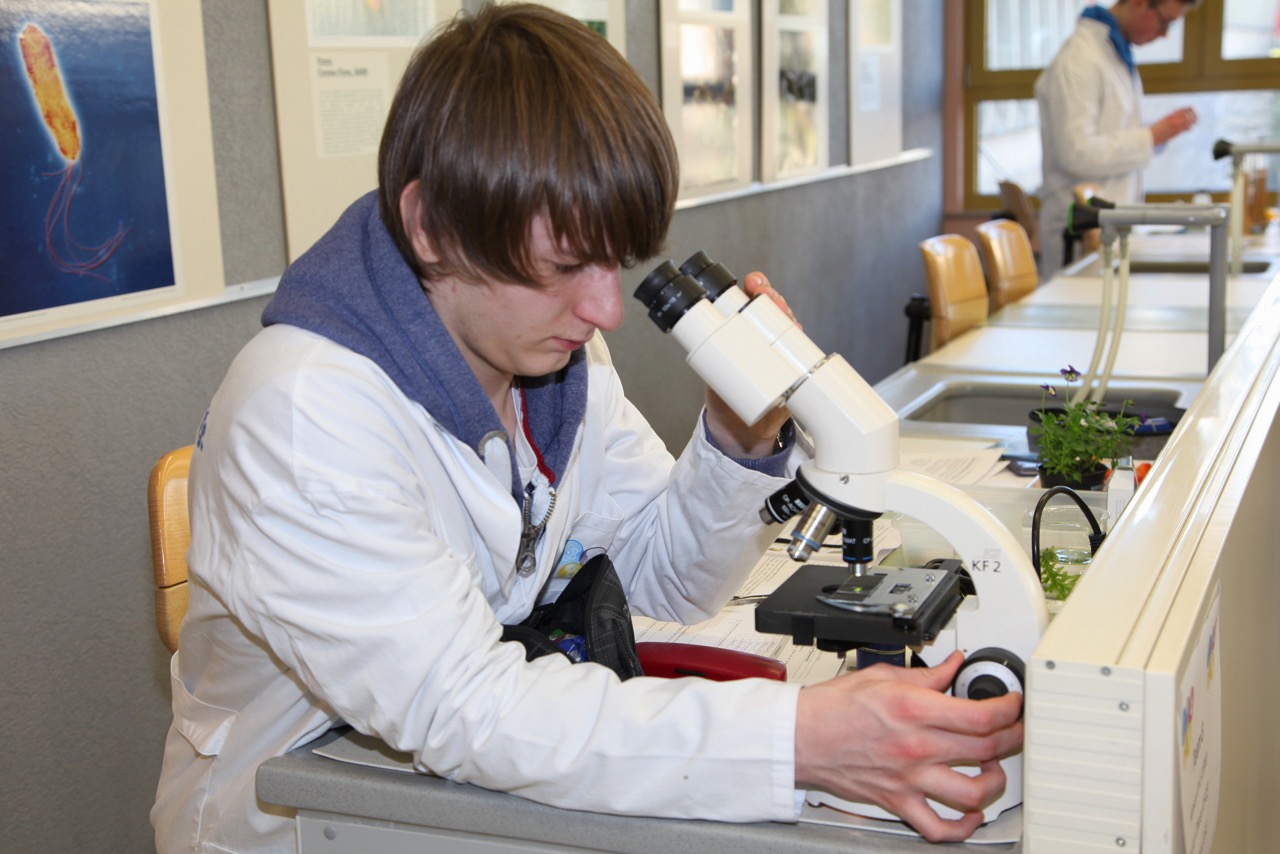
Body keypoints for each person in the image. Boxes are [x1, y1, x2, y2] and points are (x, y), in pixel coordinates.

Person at [151, 5, 1022, 851]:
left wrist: (741, 435)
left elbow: (666, 576)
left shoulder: (549, 359)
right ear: (430, 228)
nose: (605, 308)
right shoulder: (306, 414)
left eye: (615, 261)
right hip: (302, 816)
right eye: (566, 265)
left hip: (463, 789)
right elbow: (465, 708)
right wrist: (801, 739)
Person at [1035, 0, 1202, 277]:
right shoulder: (1079, 59)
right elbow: (1076, 154)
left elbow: (1113, 133)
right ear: (1138, 2)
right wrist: (1150, 137)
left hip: (1108, 232)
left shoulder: (1113, 54)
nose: (1164, 35)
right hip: (1079, 234)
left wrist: (1155, 136)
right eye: (1165, 22)